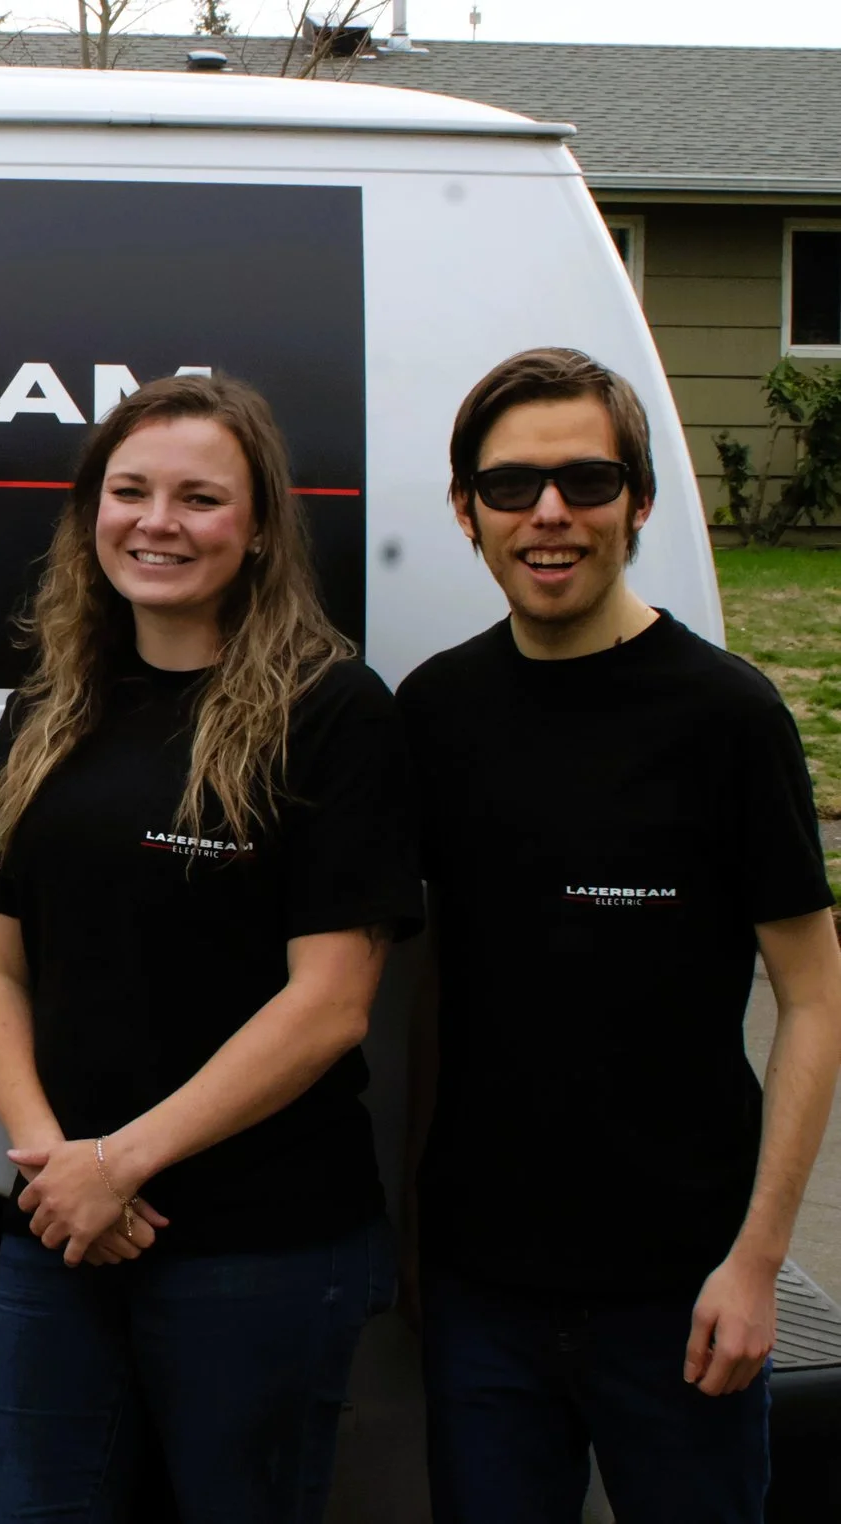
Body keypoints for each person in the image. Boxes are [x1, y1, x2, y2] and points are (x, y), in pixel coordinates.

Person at [0, 373, 416, 1522]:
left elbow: (329, 1005)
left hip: (259, 1246)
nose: (157, 523)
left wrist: (123, 1165)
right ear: (89, 512)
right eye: (129, 491)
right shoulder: (50, 705)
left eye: (199, 498)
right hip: (58, 1230)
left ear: (257, 530)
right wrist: (55, 1162)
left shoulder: (334, 711)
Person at [399, 347, 841, 1524]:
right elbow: (430, 989)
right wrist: (413, 1238)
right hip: (481, 1289)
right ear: (466, 513)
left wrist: (756, 1264)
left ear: (638, 503)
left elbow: (810, 995)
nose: (549, 513)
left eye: (587, 481)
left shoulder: (728, 717)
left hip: (685, 1290)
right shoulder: (435, 714)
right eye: (510, 487)